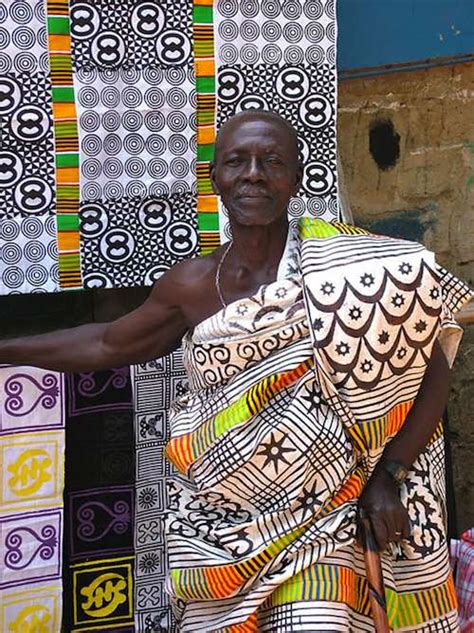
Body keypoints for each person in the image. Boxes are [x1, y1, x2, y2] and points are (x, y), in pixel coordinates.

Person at [0, 110, 471, 631]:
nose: (253, 174)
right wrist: (8, 350)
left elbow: (437, 361)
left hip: (336, 513)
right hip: (223, 525)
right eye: (236, 162)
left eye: (271, 161)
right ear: (216, 178)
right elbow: (109, 342)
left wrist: (391, 473)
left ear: (297, 176)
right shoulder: (192, 285)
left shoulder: (361, 270)